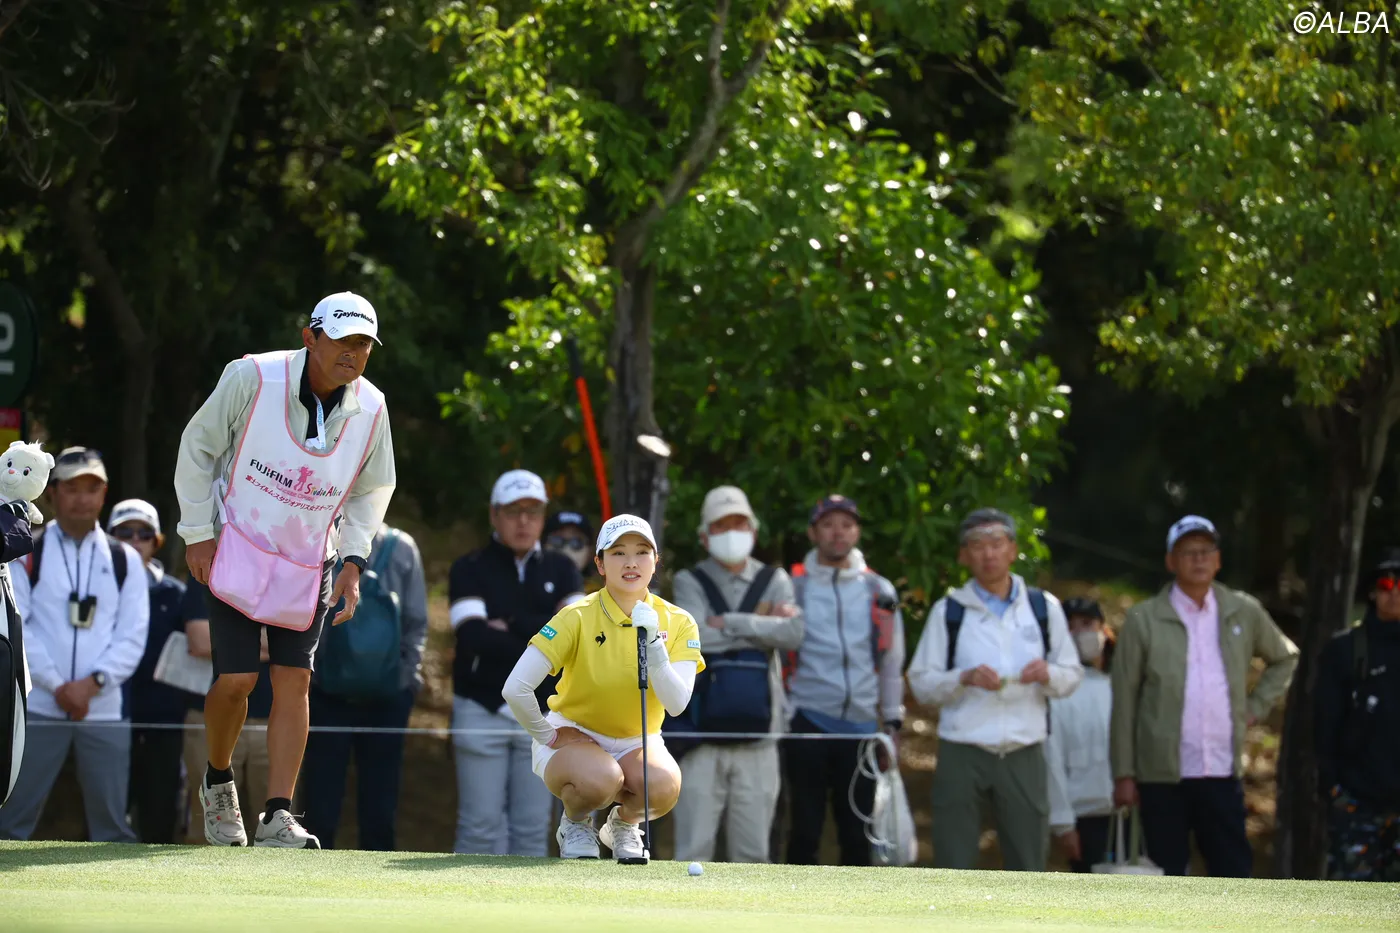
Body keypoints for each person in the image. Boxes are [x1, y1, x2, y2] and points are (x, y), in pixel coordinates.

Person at [174, 291, 396, 848]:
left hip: (309, 559)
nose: (353, 352)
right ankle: (218, 779)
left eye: (363, 343)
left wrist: (353, 561)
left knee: (295, 680)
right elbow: (198, 448)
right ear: (309, 337)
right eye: (342, 340)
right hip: (236, 544)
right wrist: (197, 532)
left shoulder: (372, 407)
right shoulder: (251, 377)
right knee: (238, 681)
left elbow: (372, 490)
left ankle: (277, 814)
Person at [501, 514, 705, 863]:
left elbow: (677, 704)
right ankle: (576, 822)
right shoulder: (576, 616)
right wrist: (548, 735)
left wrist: (654, 646)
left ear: (656, 561)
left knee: (664, 786)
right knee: (601, 779)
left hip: (637, 740)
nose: (631, 562)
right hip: (575, 735)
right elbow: (515, 688)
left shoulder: (679, 621)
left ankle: (623, 825)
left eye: (642, 552)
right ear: (600, 564)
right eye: (618, 553)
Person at [1111, 515, 1299, 877]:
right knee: (1167, 878)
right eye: (1188, 552)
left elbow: (1285, 657)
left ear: (1218, 559)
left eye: (1206, 550)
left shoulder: (1243, 610)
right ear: (1170, 561)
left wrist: (1255, 707)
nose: (1198, 559)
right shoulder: (1143, 619)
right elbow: (1124, 701)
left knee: (1232, 874)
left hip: (1221, 769)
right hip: (1161, 775)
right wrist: (1124, 773)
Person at [906, 508, 1083, 871]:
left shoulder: (1043, 608)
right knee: (953, 862)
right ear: (963, 556)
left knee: (1028, 864)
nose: (988, 553)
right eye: (977, 545)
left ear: (1013, 550)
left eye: (997, 543)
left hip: (1024, 749)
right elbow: (921, 683)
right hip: (962, 749)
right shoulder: (949, 611)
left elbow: (1072, 674)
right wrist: (963, 678)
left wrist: (1047, 673)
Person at [0, 448, 149, 842]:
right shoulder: (24, 549)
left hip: (103, 707)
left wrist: (92, 684)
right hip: (38, 704)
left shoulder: (125, 558)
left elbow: (133, 634)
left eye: (91, 488)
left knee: (112, 829)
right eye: (72, 488)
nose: (82, 498)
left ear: (104, 494)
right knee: (9, 822)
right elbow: (17, 624)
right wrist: (58, 686)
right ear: (52, 493)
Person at [447, 471, 586, 855]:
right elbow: (474, 637)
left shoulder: (563, 569)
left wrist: (509, 622)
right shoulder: (469, 567)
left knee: (532, 831)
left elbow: (575, 640)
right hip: (481, 707)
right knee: (479, 829)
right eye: (513, 511)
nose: (523, 521)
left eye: (533, 511)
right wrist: (546, 630)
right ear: (494, 515)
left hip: (544, 717)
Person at [670, 485, 803, 864]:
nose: (731, 532)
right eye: (721, 525)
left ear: (754, 530)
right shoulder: (688, 580)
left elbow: (793, 633)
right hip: (700, 738)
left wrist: (730, 621)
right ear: (704, 536)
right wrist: (762, 627)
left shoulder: (775, 579)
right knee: (692, 851)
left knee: (753, 855)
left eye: (739, 523)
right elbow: (693, 638)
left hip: (760, 739)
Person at [784, 494, 906, 866]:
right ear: (813, 532)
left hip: (862, 727)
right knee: (805, 830)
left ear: (857, 532)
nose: (838, 532)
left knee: (858, 834)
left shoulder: (879, 589)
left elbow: (891, 660)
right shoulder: (792, 586)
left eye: (847, 524)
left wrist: (893, 722)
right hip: (807, 720)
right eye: (828, 525)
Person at [300, 523, 429, 850]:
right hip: (327, 694)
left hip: (385, 697)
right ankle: (309, 876)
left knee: (380, 810)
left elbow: (416, 623)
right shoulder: (319, 536)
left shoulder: (402, 548)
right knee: (320, 807)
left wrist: (404, 683)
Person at [1314, 548, 1400, 881]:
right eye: (1386, 584)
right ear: (1373, 592)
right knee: (1353, 902)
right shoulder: (1345, 649)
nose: (1394, 593)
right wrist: (1335, 790)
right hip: (1357, 803)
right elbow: (1324, 726)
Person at [110, 499, 189, 844]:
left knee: (160, 815)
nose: (134, 540)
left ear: (157, 541)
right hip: (109, 716)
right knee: (108, 814)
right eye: (125, 533)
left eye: (143, 534)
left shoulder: (175, 593)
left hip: (164, 721)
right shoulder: (96, 587)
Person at [179, 578, 273, 846]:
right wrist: (267, 640)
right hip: (211, 722)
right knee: (205, 831)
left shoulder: (289, 571)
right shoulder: (210, 566)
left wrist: (232, 639)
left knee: (275, 830)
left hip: (273, 719)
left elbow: (295, 647)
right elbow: (199, 640)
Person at [1044, 597, 1115, 872]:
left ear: (1103, 630)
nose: (1078, 633)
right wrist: (1063, 824)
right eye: (1069, 627)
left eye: (1086, 624)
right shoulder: (1055, 695)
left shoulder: (1120, 685)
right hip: (1085, 816)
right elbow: (1052, 763)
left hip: (1133, 812)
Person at [545, 510, 601, 593]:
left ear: (590, 552)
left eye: (577, 543)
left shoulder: (601, 595)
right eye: (557, 540)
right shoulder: (528, 586)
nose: (566, 549)